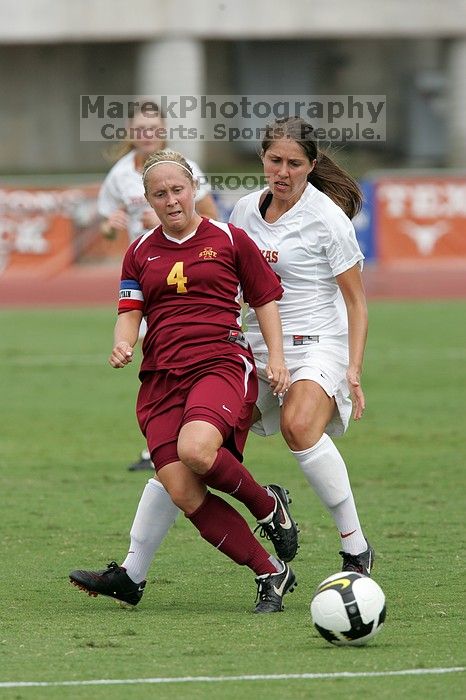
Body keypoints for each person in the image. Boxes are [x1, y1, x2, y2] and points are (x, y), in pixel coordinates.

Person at [71, 117, 374, 610]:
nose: (283, 172)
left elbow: (355, 303)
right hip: (247, 344)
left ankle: (355, 547)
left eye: (294, 163)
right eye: (275, 161)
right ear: (262, 161)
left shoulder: (328, 219)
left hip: (315, 341)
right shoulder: (245, 213)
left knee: (298, 428)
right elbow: (223, 285)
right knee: (184, 461)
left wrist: (354, 369)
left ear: (311, 165)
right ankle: (133, 571)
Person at [70, 150, 299, 614]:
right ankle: (270, 572)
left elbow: (265, 300)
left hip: (219, 362)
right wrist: (124, 343)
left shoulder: (231, 240)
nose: (171, 200)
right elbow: (129, 310)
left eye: (178, 189)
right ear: (148, 200)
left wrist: (276, 358)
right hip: (160, 378)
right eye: (160, 194)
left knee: (197, 452)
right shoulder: (139, 250)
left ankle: (268, 507)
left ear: (193, 188)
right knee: (181, 488)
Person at [97, 100, 219, 472]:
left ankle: (195, 435)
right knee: (157, 360)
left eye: (152, 128)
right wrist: (112, 223)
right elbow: (104, 227)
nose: (145, 135)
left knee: (187, 355)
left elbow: (214, 216)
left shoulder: (182, 169)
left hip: (187, 274)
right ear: (130, 134)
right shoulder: (120, 175)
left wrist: (169, 215)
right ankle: (161, 443)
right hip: (146, 273)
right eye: (139, 129)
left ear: (162, 131)